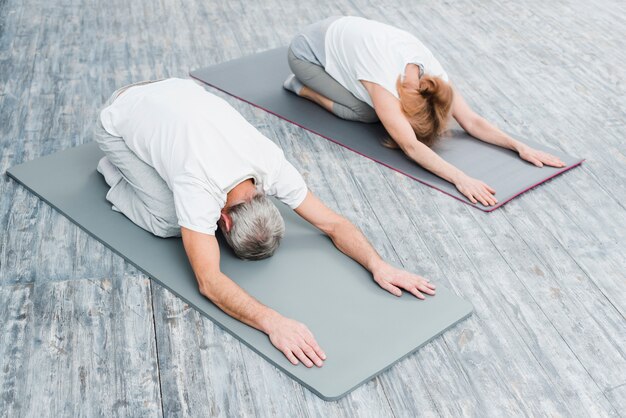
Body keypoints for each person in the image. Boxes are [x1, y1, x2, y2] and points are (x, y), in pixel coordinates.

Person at [94, 77, 436, 368]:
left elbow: (334, 224)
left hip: (178, 88)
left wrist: (379, 265)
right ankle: (115, 172)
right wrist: (272, 321)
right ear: (223, 221)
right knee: (169, 222)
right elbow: (209, 281)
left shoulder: (272, 165)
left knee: (178, 200)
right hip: (121, 110)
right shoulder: (197, 191)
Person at [283, 16, 566, 207]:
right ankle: (301, 87)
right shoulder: (381, 78)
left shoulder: (433, 76)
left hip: (341, 30)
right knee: (365, 113)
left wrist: (520, 147)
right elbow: (410, 145)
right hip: (306, 54)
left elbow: (471, 120)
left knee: (376, 111)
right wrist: (461, 178)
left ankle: (334, 77)